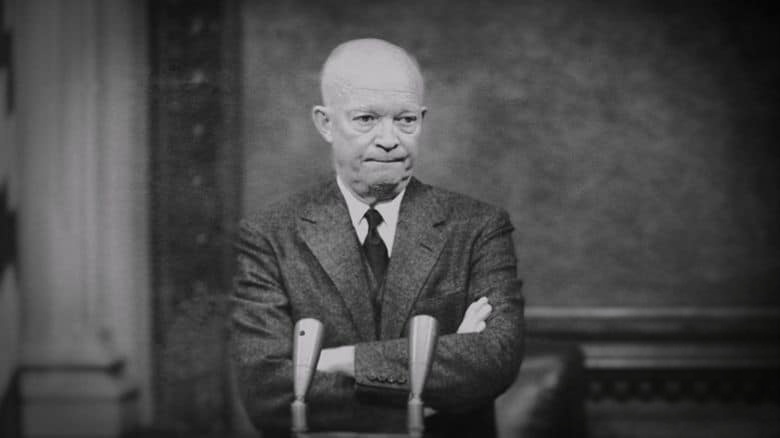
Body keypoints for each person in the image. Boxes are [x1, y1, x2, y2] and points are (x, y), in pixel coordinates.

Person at [231, 38, 524, 437]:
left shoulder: (478, 227)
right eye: (366, 119)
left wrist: (338, 360)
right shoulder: (269, 235)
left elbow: (496, 359)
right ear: (325, 123)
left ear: (422, 119)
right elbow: (266, 393)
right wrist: (425, 398)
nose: (389, 139)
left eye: (406, 120)